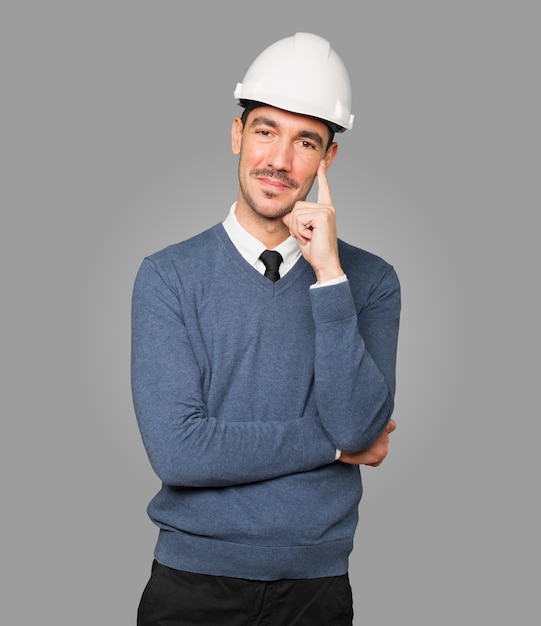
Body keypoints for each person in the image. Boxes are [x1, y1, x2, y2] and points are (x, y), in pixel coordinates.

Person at [131, 32, 400, 626]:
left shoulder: (371, 282)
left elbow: (359, 421)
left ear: (328, 160)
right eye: (264, 130)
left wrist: (329, 274)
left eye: (305, 141)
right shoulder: (168, 277)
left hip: (316, 588)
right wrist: (333, 446)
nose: (279, 161)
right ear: (236, 134)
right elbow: (179, 453)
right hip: (191, 586)